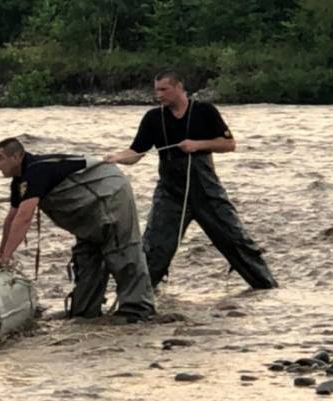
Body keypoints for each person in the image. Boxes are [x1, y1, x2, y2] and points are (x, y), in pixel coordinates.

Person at [104, 69, 278, 290]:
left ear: (178, 87)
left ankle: (267, 288)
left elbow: (229, 144)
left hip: (207, 191)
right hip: (170, 194)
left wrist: (197, 145)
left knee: (236, 241)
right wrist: (117, 158)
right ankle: (139, 298)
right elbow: (136, 152)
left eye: (164, 89)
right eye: (156, 90)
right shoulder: (153, 118)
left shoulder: (205, 111)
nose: (159, 95)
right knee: (155, 248)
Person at [0, 137, 155, 323]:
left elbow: (24, 217)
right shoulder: (19, 181)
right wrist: (1, 254)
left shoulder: (36, 171)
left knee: (122, 252)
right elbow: (12, 217)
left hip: (110, 194)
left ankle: (138, 311)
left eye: (0, 158)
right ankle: (85, 312)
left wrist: (7, 256)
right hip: (88, 209)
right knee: (86, 257)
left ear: (18, 156)